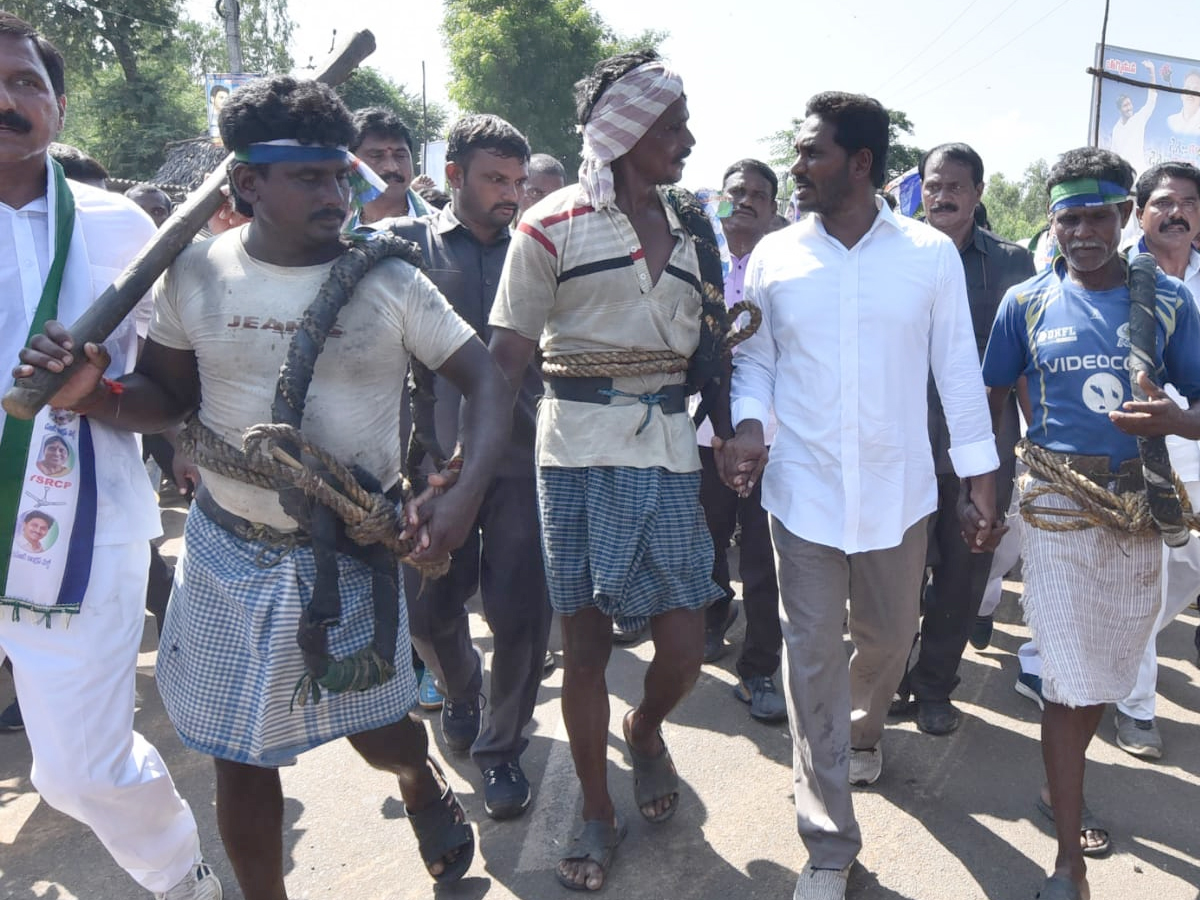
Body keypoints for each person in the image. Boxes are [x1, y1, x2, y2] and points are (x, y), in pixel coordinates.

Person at [20, 75, 514, 896]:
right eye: (309, 177)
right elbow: (169, 401)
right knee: (236, 750)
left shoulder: (391, 282)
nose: (336, 192)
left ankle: (420, 781)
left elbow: (489, 383)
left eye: (339, 172)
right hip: (224, 551)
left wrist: (460, 498)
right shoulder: (195, 275)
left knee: (381, 733)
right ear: (246, 184)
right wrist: (96, 397)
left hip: (350, 554)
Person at [718, 92, 1001, 900]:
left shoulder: (926, 256)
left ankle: (865, 726)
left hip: (897, 491)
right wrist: (747, 425)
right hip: (800, 490)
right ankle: (829, 839)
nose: (797, 167)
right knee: (809, 657)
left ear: (862, 163)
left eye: (811, 153)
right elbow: (757, 361)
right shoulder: (775, 255)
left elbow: (956, 372)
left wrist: (981, 480)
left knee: (885, 642)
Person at [489, 49, 725, 891]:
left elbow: (715, 350)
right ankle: (595, 807)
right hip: (578, 458)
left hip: (666, 456)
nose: (688, 140)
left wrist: (729, 434)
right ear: (625, 134)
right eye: (672, 127)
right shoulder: (549, 223)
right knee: (583, 644)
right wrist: (466, 472)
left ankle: (648, 729)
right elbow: (505, 361)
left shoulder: (695, 233)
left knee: (687, 645)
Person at [0, 13, 219, 899]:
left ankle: (182, 881)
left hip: (76, 536)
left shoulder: (120, 226)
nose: (8, 100)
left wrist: (92, 394)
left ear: (55, 103)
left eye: (25, 83)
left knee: (81, 770)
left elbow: (175, 396)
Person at [981, 147, 1200, 900]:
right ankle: (1067, 857)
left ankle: (1057, 790)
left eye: (1097, 215)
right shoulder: (1027, 302)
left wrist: (1179, 419)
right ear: (1053, 223)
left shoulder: (1167, 303)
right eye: (1068, 217)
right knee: (1071, 682)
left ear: (1124, 218)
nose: (1083, 231)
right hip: (1057, 510)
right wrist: (995, 482)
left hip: (1137, 506)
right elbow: (996, 390)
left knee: (1105, 672)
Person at [384, 114, 550, 821]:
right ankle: (459, 690)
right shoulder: (401, 249)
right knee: (427, 610)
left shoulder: (541, 251)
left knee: (520, 615)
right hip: (427, 469)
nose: (511, 193)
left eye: (517, 180)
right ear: (453, 176)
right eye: (494, 179)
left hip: (521, 465)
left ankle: (502, 749)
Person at [890, 143, 1034, 735]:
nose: (942, 195)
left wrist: (1033, 442)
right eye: (932, 185)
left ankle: (933, 687)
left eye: (955, 186)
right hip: (900, 437)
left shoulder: (1009, 262)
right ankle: (890, 674)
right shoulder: (892, 251)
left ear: (977, 193)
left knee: (964, 566)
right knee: (893, 565)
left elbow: (1026, 357)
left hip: (982, 442)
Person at [695, 158, 785, 723]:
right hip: (704, 433)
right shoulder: (693, 263)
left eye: (758, 194)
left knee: (762, 558)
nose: (745, 202)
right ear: (718, 203)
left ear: (775, 209)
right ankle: (711, 617)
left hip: (775, 439)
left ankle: (759, 669)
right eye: (735, 194)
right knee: (704, 539)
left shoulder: (787, 270)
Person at [350, 106, 429, 222]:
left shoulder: (441, 233)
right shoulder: (333, 229)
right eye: (376, 156)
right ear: (352, 163)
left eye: (400, 156)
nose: (392, 168)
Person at [1108, 61, 1156, 175]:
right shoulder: (1117, 129)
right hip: (1123, 175)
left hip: (1139, 172)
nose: (1129, 108)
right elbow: (1113, 154)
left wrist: (1152, 73)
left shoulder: (1138, 119)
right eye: (1125, 105)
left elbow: (1152, 100)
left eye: (1130, 104)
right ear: (1120, 109)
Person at [1165, 69, 1200, 134]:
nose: (1190, 93)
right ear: (1181, 94)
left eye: (1195, 89)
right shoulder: (1171, 121)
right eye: (1187, 88)